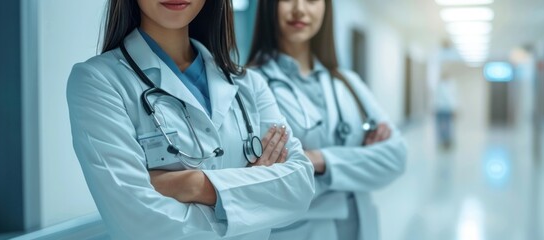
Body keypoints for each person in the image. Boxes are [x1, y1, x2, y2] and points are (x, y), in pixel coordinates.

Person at [66, 0, 315, 239]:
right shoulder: (98, 81)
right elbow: (140, 225)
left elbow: (300, 188)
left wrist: (195, 185)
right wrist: (255, 198)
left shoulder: (249, 83)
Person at [246, 0, 407, 239]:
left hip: (359, 228)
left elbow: (396, 156)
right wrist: (358, 163)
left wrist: (317, 160)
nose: (299, 8)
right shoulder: (250, 85)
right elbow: (263, 182)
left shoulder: (348, 83)